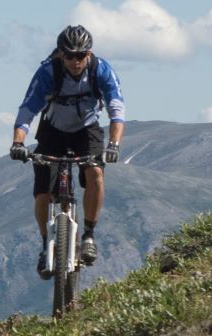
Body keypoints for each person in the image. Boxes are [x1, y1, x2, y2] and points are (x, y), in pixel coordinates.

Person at [8, 24, 126, 274]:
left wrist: (114, 145)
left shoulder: (101, 70)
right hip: (53, 130)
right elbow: (27, 110)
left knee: (95, 174)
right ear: (60, 54)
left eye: (80, 55)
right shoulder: (47, 72)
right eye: (69, 55)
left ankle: (89, 236)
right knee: (42, 193)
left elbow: (117, 111)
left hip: (88, 130)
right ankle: (45, 245)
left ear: (89, 54)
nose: (75, 61)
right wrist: (18, 142)